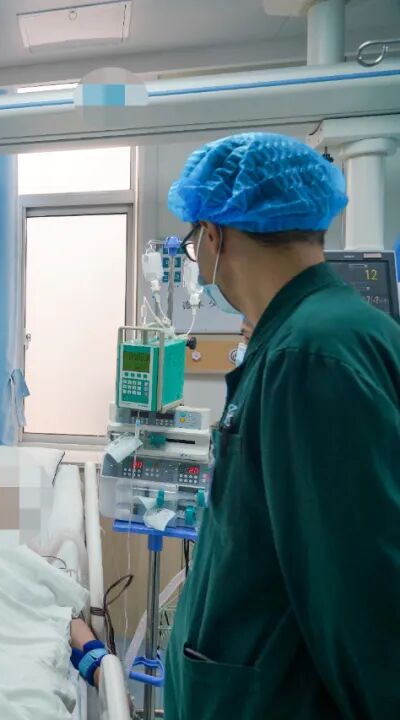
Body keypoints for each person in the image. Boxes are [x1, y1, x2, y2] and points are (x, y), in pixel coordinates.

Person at [164, 133, 400, 719]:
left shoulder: (307, 357)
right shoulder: (330, 332)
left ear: (214, 235)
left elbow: (360, 596)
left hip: (272, 699)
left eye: (194, 244)